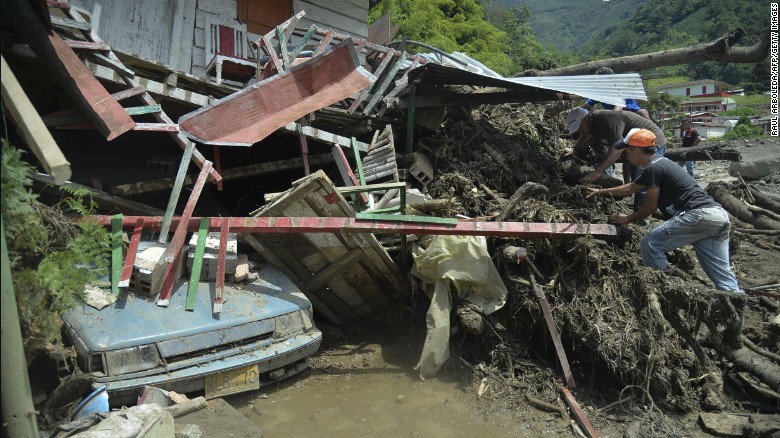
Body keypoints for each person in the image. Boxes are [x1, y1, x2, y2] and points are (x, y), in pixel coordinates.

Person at [586, 128, 742, 295]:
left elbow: (649, 208)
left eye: (626, 151)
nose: (625, 155)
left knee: (651, 244)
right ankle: (735, 303)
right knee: (723, 277)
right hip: (717, 217)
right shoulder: (659, 164)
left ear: (636, 150)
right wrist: (601, 192)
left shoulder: (654, 168)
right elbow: (631, 188)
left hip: (698, 215)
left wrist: (627, 219)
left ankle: (672, 293)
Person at [565, 108, 667, 214]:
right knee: (637, 181)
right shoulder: (591, 124)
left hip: (651, 143)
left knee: (644, 180)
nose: (580, 130)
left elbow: (617, 147)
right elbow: (586, 135)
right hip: (634, 148)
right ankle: (644, 210)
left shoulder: (607, 120)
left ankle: (644, 216)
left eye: (580, 126)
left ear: (586, 119)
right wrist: (574, 149)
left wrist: (598, 171)